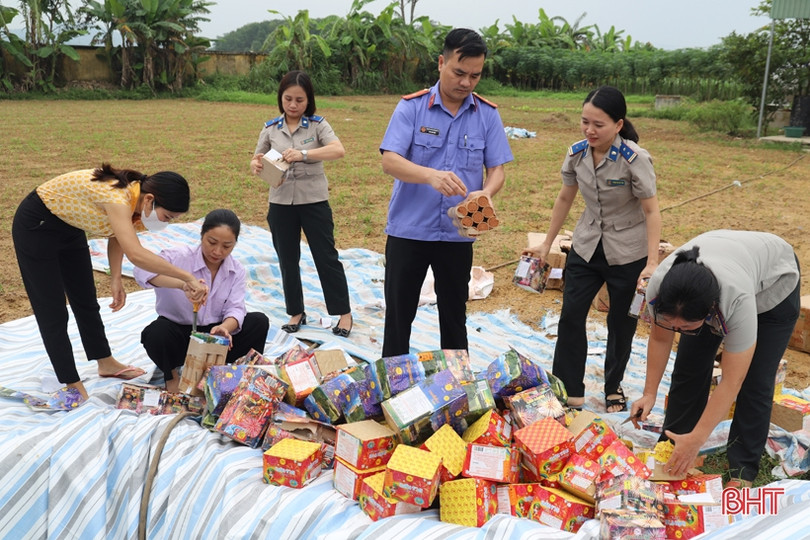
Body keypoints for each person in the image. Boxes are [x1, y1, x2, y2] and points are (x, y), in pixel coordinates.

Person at [12, 164, 208, 401]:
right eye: (167, 217)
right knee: (52, 310)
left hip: (69, 226)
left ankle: (105, 362)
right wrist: (185, 276)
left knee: (85, 299)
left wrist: (116, 277)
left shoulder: (136, 201)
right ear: (150, 200)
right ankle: (70, 381)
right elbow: (135, 253)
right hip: (37, 224)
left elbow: (118, 236)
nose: (166, 223)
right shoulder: (117, 197)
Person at [523, 85, 662, 413]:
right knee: (571, 315)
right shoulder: (576, 153)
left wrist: (652, 262)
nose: (590, 130)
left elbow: (652, 211)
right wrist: (546, 243)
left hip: (628, 253)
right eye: (585, 122)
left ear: (618, 124)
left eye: (598, 124)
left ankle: (613, 386)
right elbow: (565, 197)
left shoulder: (634, 159)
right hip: (586, 247)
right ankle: (569, 390)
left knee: (621, 322)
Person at [378, 28, 513, 357]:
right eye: (459, 72)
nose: (466, 83)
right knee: (399, 315)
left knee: (454, 316)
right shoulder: (412, 108)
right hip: (409, 229)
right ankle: (392, 385)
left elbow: (497, 168)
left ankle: (458, 389)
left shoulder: (487, 115)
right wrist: (430, 176)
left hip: (458, 232)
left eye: (475, 76)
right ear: (441, 62)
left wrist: (486, 191)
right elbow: (390, 161)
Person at [630, 230, 801, 487]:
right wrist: (649, 393)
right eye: (673, 325)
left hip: (774, 284)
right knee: (689, 367)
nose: (677, 331)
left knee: (756, 379)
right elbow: (660, 338)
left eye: (686, 327)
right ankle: (674, 445)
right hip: (728, 265)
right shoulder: (661, 288)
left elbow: (732, 380)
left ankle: (742, 471)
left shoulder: (737, 300)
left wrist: (700, 437)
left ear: (711, 311)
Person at [250, 70, 352, 337]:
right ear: (280, 99)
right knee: (287, 258)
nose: (293, 105)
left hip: (313, 201)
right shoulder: (271, 127)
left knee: (326, 257)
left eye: (299, 100)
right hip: (281, 202)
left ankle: (344, 314)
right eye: (288, 99)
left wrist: (303, 154)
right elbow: (257, 157)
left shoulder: (318, 125)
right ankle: (296, 311)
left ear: (309, 101)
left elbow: (337, 150)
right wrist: (256, 165)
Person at [134, 209, 270, 393]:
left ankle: (234, 373)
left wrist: (225, 328)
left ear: (235, 244)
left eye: (226, 246)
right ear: (201, 235)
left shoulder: (236, 270)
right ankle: (171, 375)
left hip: (216, 337)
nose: (217, 251)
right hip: (180, 334)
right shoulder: (178, 257)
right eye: (211, 242)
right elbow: (141, 271)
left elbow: (236, 308)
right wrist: (182, 284)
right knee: (156, 333)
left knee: (259, 322)